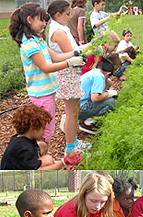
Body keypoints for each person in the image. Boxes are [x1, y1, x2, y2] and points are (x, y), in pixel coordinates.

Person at [9, 2, 86, 154]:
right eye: (42, 20)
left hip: (47, 93)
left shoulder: (38, 40)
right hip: (40, 94)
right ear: (30, 20)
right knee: (43, 132)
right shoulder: (29, 44)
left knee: (46, 130)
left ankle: (41, 157)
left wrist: (75, 54)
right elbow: (45, 66)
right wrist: (69, 63)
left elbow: (56, 57)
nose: (45, 23)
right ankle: (40, 158)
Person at [47, 0, 91, 154]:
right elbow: (73, 52)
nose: (70, 16)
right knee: (71, 113)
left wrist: (90, 45)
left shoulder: (61, 27)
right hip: (67, 73)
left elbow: (75, 50)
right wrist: (90, 49)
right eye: (67, 13)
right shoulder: (58, 31)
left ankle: (74, 141)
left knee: (75, 110)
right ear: (58, 15)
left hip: (71, 72)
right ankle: (70, 148)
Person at [0, 103, 82, 170]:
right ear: (32, 129)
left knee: (42, 145)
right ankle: (51, 168)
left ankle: (50, 166)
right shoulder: (24, 149)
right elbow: (38, 171)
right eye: (42, 128)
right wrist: (63, 162)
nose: (44, 131)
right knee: (48, 160)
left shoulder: (20, 138)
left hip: (22, 164)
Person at [78, 58, 117, 133]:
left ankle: (85, 119)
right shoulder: (99, 76)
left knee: (106, 99)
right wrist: (110, 93)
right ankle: (88, 123)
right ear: (108, 74)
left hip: (76, 107)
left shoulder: (94, 72)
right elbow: (95, 98)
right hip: (80, 109)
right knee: (110, 102)